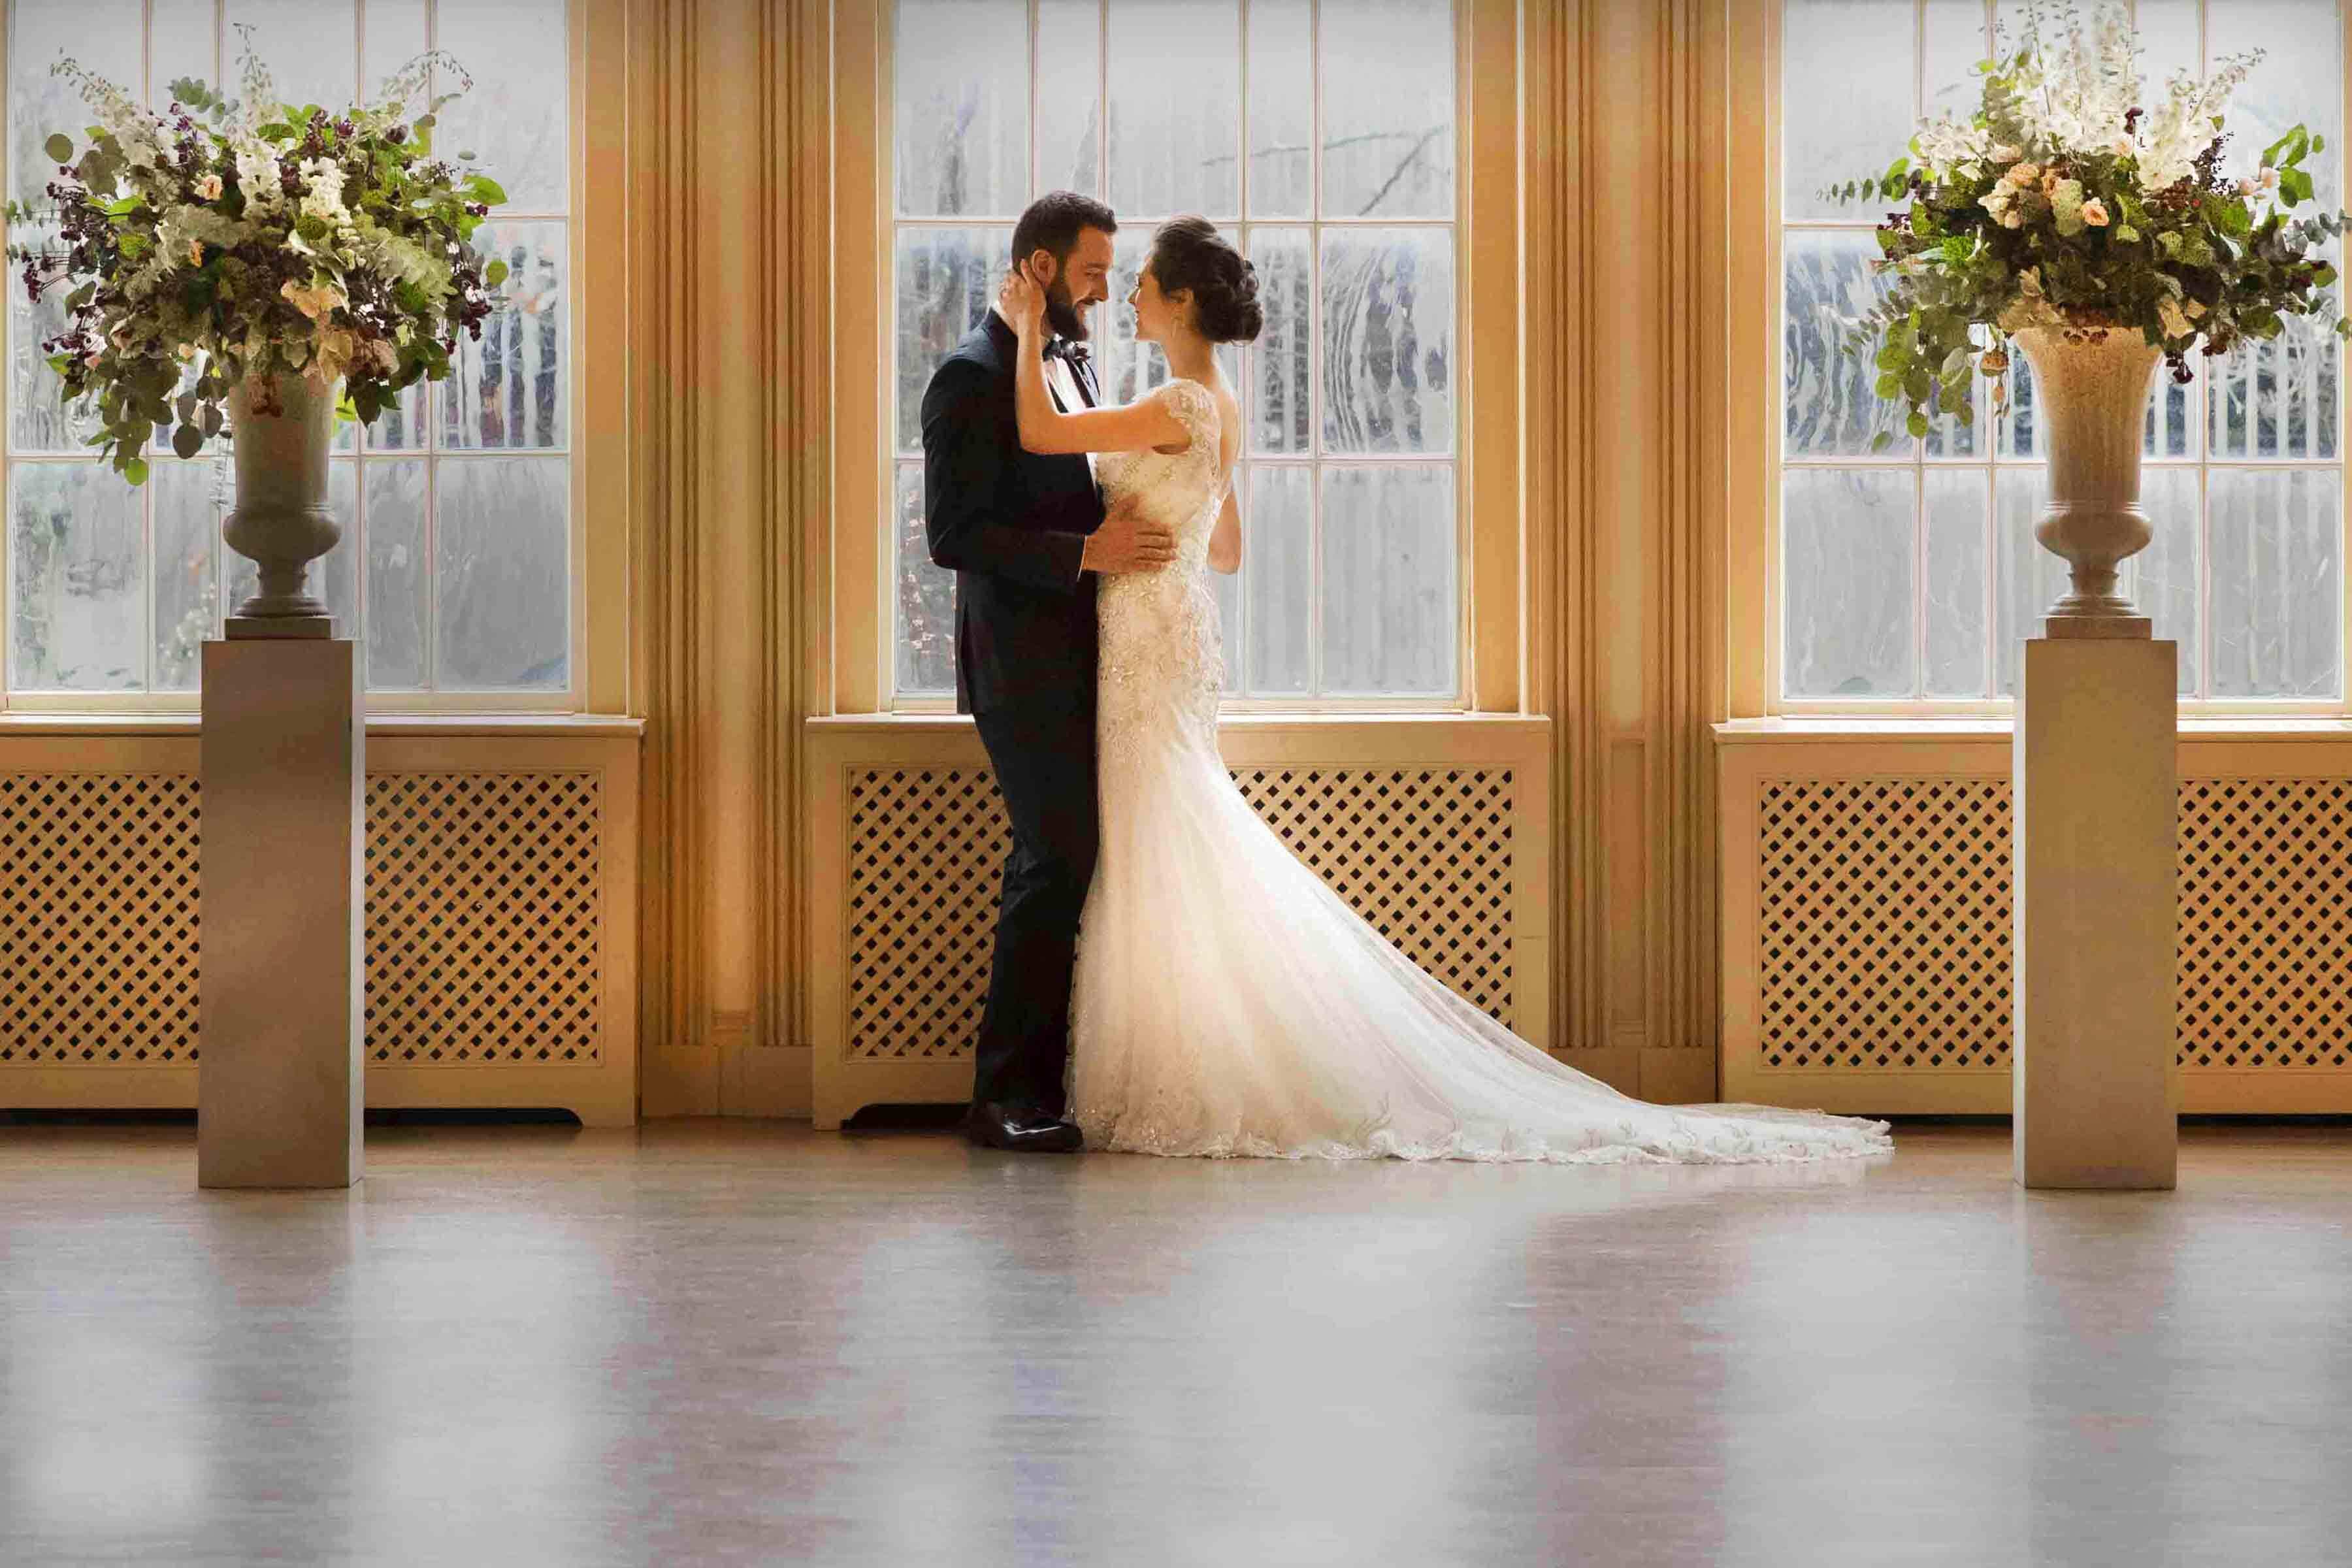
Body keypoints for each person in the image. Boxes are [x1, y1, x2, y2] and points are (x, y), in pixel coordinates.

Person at [995, 214, 1893, 1164]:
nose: (1127, 293)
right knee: (1166, 831)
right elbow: (1227, 546)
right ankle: (1181, 1051)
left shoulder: (1177, 403)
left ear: (1180, 301)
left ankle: (1179, 1063)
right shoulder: (1215, 405)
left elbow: (1037, 430)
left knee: (1153, 834)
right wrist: (1163, 528)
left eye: (1141, 282)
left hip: (1144, 636)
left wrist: (1022, 332)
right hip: (1169, 633)